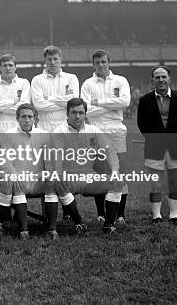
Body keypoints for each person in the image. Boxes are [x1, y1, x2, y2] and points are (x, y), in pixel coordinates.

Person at [50, 98, 123, 236]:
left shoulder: (93, 130)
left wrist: (114, 170)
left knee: (117, 183)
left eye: (80, 112)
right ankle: (79, 223)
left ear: (85, 114)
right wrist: (58, 175)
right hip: (68, 176)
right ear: (67, 113)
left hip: (89, 175)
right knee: (59, 185)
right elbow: (57, 156)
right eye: (73, 112)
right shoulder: (59, 131)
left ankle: (108, 225)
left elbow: (109, 149)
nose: (77, 116)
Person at [137, 66, 177, 226]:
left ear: (169, 78)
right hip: (154, 148)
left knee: (175, 183)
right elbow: (142, 125)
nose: (161, 80)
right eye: (157, 77)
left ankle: (174, 216)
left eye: (163, 76)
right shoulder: (144, 100)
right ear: (152, 80)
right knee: (155, 183)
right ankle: (156, 216)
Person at [81, 49, 131, 224]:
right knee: (100, 173)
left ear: (109, 62)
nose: (101, 65)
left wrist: (98, 103)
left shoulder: (120, 80)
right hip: (95, 131)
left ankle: (120, 215)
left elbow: (125, 102)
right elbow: (87, 111)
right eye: (97, 63)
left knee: (119, 174)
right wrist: (112, 105)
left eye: (103, 62)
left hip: (116, 130)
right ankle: (101, 214)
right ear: (93, 65)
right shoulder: (87, 84)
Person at [0, 104, 49, 239]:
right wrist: (15, 175)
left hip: (37, 179)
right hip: (17, 178)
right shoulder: (9, 134)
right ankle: (23, 229)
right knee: (15, 183)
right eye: (23, 116)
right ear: (17, 118)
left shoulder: (44, 135)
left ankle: (55, 226)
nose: (27, 120)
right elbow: (5, 161)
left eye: (30, 117)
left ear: (35, 119)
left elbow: (50, 159)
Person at [31, 46, 79, 132]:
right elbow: (39, 105)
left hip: (66, 127)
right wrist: (64, 103)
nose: (52, 62)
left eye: (55, 59)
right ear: (45, 61)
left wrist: (49, 98)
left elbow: (73, 102)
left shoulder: (71, 78)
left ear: (61, 60)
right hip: (44, 127)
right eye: (49, 59)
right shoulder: (37, 80)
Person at [0, 54, 31, 133]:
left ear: (15, 67)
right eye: (5, 65)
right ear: (0, 68)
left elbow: (24, 108)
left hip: (18, 126)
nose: (7, 68)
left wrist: (0, 108)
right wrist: (13, 102)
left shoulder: (24, 82)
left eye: (10, 65)